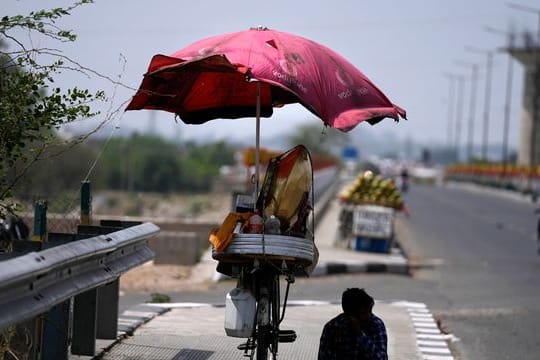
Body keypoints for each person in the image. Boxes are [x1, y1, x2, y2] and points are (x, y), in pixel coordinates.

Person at [318, 288, 388, 360]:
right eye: (363, 313)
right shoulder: (333, 327)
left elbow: (381, 358)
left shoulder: (376, 324)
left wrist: (360, 335)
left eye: (369, 311)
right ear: (349, 315)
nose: (368, 316)